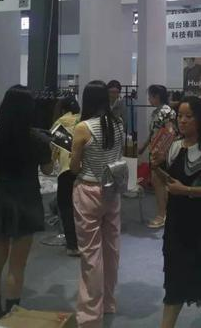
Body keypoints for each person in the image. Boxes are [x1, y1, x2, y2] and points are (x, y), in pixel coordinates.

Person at [0, 86, 54, 322]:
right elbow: (47, 170)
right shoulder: (38, 139)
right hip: (27, 198)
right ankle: (12, 317)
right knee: (17, 266)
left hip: (0, 196)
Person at [154, 96, 201, 328]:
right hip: (176, 224)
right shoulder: (174, 146)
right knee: (174, 276)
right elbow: (169, 182)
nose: (183, 121)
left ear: (200, 120)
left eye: (189, 116)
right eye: (180, 116)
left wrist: (186, 190)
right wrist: (157, 167)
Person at [70, 81, 124, 328]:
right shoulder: (118, 124)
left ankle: (91, 316)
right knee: (111, 250)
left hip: (88, 190)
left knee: (91, 254)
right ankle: (108, 302)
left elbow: (74, 167)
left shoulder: (83, 128)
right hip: (112, 190)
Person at [138, 85, 177, 228]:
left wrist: (162, 153)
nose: (149, 99)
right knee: (160, 183)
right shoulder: (157, 112)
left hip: (161, 153)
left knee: (159, 183)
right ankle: (165, 214)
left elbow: (170, 133)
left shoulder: (166, 111)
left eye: (150, 96)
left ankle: (162, 215)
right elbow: (153, 132)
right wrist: (143, 147)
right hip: (155, 151)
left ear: (157, 96)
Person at [50, 95, 81, 257]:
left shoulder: (59, 124)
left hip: (66, 170)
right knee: (83, 207)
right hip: (84, 169)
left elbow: (53, 150)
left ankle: (72, 245)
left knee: (66, 207)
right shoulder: (84, 121)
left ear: (62, 109)